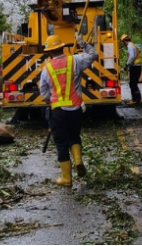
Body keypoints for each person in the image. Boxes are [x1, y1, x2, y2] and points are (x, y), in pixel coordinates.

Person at [38, 32, 97, 186]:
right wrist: (82, 42)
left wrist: (50, 100)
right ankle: (78, 161)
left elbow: (44, 92)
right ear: (63, 48)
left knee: (61, 142)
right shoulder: (75, 61)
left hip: (58, 110)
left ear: (49, 52)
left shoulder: (47, 69)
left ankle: (66, 178)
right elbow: (93, 54)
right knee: (74, 136)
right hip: (76, 109)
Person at [122, 34, 142, 105]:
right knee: (134, 83)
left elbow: (131, 57)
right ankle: (138, 98)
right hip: (137, 66)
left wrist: (126, 65)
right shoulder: (133, 45)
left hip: (135, 66)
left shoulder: (130, 46)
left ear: (124, 41)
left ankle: (135, 99)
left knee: (132, 84)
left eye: (123, 42)